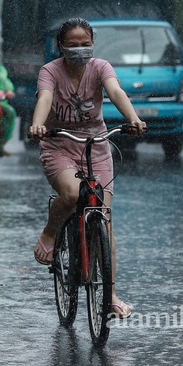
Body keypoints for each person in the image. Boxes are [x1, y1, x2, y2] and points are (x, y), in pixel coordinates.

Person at [27, 17, 148, 320]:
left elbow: (116, 92)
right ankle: (52, 232)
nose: (80, 50)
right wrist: (38, 125)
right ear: (61, 46)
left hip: (96, 145)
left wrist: (132, 118)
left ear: (93, 43)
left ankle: (111, 294)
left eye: (86, 44)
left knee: (104, 221)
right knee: (70, 194)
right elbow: (45, 98)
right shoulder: (50, 71)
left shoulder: (101, 67)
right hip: (59, 145)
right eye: (73, 44)